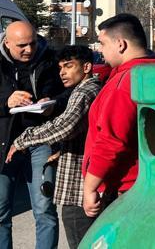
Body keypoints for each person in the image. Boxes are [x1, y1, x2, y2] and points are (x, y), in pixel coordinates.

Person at [6, 46, 101, 248]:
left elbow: (65, 126)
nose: (62, 73)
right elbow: (83, 133)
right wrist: (61, 152)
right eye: (60, 68)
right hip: (78, 181)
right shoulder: (85, 89)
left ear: (86, 67)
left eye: (68, 66)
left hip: (78, 188)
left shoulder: (84, 92)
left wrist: (24, 138)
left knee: (80, 239)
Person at [82, 14, 155, 218]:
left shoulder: (125, 82)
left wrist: (90, 187)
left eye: (102, 43)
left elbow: (111, 140)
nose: (100, 50)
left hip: (127, 189)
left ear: (120, 44)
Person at [0, 21, 65, 249]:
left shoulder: (50, 59)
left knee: (44, 210)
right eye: (21, 46)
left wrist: (51, 103)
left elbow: (67, 92)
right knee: (0, 213)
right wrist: (5, 102)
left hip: (40, 143)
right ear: (6, 43)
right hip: (4, 146)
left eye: (33, 43)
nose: (29, 49)